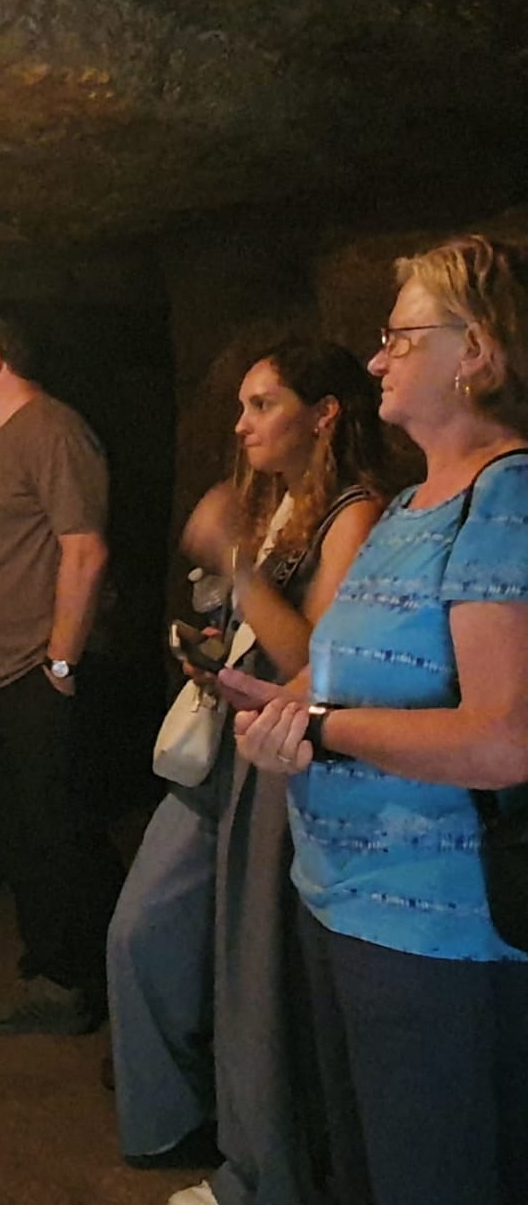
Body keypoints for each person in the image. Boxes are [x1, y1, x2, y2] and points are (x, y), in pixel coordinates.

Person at [226, 235, 528, 1205]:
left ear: (475, 352)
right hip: (340, 897)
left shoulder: (506, 498)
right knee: (362, 1169)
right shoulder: (404, 508)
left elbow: (503, 738)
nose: (375, 358)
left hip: (435, 923)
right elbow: (344, 673)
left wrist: (318, 728)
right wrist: (283, 706)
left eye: (399, 337)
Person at [106, 340, 389, 1205]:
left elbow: (315, 659)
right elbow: (264, 634)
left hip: (278, 758)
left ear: (324, 413)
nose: (240, 424)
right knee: (142, 929)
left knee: (252, 963)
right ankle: (176, 1124)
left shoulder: (353, 514)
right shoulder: (281, 504)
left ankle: (257, 1174)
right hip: (229, 743)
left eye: (262, 404)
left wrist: (235, 562)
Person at [0, 306, 120, 1034]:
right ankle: (54, 966)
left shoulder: (52, 430)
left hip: (30, 676)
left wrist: (59, 663)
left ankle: (80, 982)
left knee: (56, 834)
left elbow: (84, 549)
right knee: (21, 834)